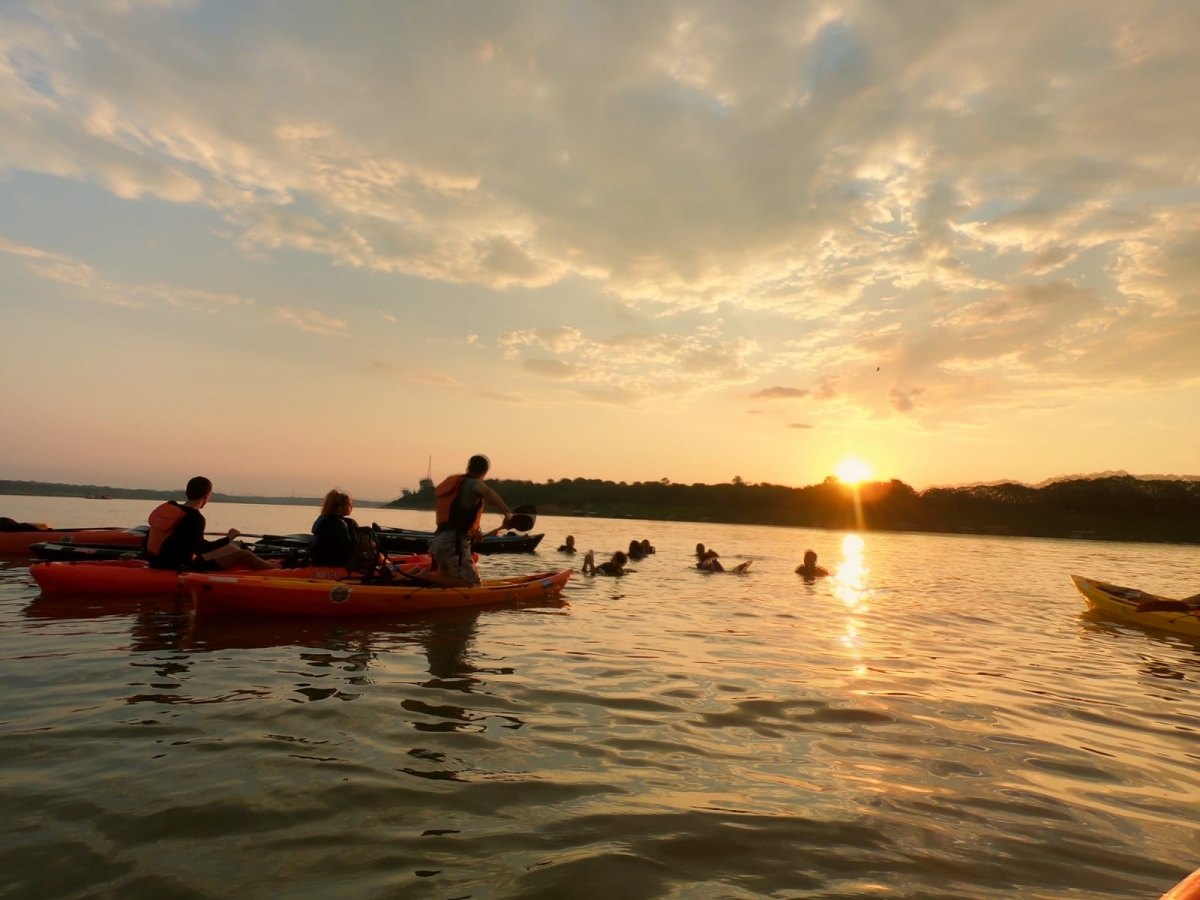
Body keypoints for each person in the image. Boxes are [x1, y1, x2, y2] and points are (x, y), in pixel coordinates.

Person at [145, 476, 276, 571]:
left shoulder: (171, 508)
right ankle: (277, 572)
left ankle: (269, 564)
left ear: (187, 492)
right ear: (207, 495)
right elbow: (202, 549)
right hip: (180, 567)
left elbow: (188, 542)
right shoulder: (195, 518)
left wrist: (228, 542)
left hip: (156, 561)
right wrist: (228, 538)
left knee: (233, 547)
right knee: (244, 554)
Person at [428, 454, 513, 586]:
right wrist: (508, 515)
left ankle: (419, 576)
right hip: (453, 544)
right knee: (473, 584)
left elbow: (459, 517)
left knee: (448, 581)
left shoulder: (459, 484)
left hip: (440, 541)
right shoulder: (474, 483)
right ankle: (420, 575)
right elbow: (489, 493)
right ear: (485, 472)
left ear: (468, 467)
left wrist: (475, 533)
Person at [310, 489, 359, 567]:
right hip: (332, 562)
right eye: (349, 505)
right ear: (339, 507)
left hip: (318, 560)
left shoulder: (322, 519)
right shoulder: (338, 524)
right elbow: (349, 548)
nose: (351, 507)